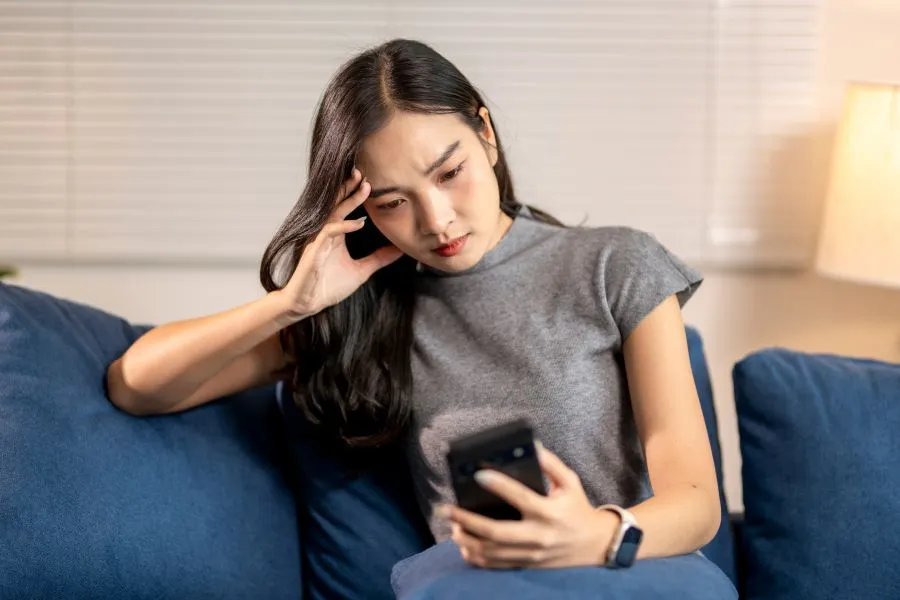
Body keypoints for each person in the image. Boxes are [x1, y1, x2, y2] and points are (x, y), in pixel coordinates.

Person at [107, 38, 734, 594]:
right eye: (393, 202)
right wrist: (289, 304)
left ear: (485, 134)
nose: (436, 221)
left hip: (633, 569)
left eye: (450, 173)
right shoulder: (365, 313)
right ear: (362, 211)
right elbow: (136, 386)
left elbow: (696, 502)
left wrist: (593, 537)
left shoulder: (616, 265)